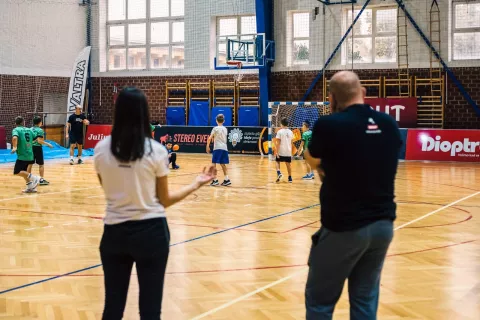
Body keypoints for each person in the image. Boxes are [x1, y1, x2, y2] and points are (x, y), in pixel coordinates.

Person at [94, 87, 216, 320]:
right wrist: (196, 184)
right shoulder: (157, 151)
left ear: (117, 112)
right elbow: (164, 200)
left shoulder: (101, 150)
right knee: (150, 311)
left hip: (114, 234)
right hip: (151, 234)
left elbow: (108, 190)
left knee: (112, 308)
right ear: (144, 113)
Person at [304, 71, 402, 320]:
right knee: (364, 300)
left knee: (320, 302)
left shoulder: (329, 124)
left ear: (332, 99)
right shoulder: (389, 124)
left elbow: (312, 158)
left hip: (344, 226)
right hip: (383, 226)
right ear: (364, 93)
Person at [11, 116, 40, 193]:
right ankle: (30, 187)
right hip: (30, 154)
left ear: (15, 123)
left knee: (17, 172)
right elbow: (35, 138)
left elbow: (14, 138)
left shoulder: (16, 130)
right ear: (23, 122)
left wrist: (14, 147)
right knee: (24, 172)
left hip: (22, 155)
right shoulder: (29, 130)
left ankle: (35, 178)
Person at [206, 114, 231, 186]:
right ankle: (227, 179)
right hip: (224, 148)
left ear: (216, 120)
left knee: (214, 163)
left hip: (217, 148)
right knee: (223, 164)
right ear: (224, 121)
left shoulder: (215, 128)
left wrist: (207, 146)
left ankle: (215, 180)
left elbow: (210, 138)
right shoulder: (225, 129)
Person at [29, 116, 53, 185]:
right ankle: (41, 180)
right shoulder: (40, 130)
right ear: (40, 122)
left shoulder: (30, 129)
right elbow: (39, 141)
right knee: (41, 164)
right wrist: (48, 144)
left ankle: (29, 179)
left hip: (31, 148)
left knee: (30, 164)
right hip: (37, 148)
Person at [274, 118, 294, 183]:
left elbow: (278, 143)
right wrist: (291, 151)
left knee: (277, 161)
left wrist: (276, 151)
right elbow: (291, 142)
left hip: (281, 151)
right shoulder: (291, 132)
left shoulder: (280, 132)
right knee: (288, 164)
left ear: (281, 124)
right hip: (288, 150)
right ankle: (290, 178)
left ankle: (279, 174)